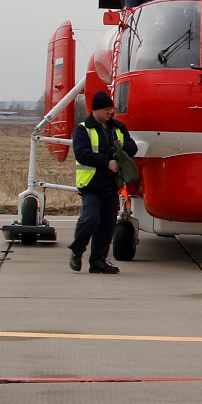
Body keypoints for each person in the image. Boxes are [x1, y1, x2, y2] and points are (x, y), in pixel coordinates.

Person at [68, 91, 139, 274]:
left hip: (112, 185)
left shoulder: (118, 128)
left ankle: (98, 261)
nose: (111, 113)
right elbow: (82, 154)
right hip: (91, 184)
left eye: (111, 109)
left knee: (107, 225)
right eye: (107, 109)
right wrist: (106, 162)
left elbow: (133, 148)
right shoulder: (83, 130)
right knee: (90, 218)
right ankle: (77, 249)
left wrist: (124, 146)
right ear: (96, 110)